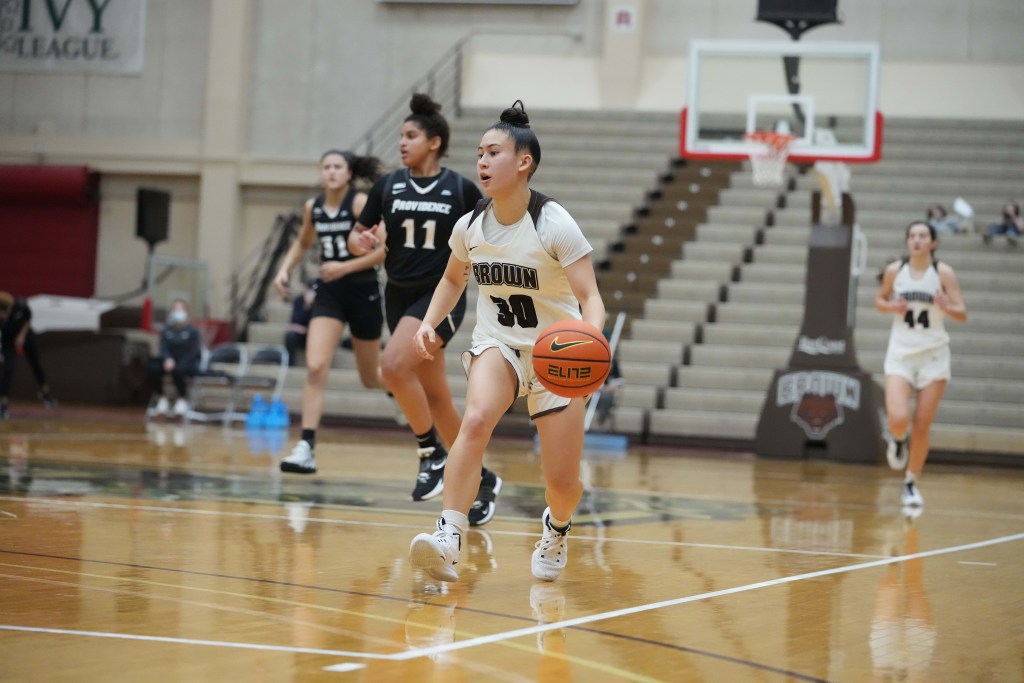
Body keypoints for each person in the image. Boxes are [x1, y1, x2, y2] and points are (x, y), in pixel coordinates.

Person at [406, 100, 606, 582]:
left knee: (562, 483)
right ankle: (448, 536)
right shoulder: (471, 224)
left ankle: (556, 528)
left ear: (524, 162)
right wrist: (429, 322)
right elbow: (454, 280)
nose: (481, 161)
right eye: (478, 153)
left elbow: (591, 297)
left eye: (493, 152)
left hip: (556, 356)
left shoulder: (553, 222)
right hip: (498, 344)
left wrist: (591, 341)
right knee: (474, 420)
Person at [349, 93, 502, 525]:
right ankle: (483, 478)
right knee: (436, 397)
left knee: (393, 367)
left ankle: (431, 452)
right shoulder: (389, 185)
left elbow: (489, 231)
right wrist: (358, 242)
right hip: (396, 295)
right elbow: (358, 235)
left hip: (439, 297)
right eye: (401, 136)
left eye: (411, 136)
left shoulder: (460, 189)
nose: (402, 143)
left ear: (433, 142)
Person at [274, 149, 387, 474]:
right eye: (326, 167)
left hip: (363, 288)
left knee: (370, 377)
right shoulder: (314, 207)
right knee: (315, 366)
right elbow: (302, 242)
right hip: (330, 293)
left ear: (349, 173)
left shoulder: (358, 202)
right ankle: (306, 445)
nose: (331, 172)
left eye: (337, 167)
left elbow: (384, 250)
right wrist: (283, 270)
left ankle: (399, 390)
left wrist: (344, 267)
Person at [875, 221, 967, 509]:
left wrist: (946, 306)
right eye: (912, 236)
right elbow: (879, 299)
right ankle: (898, 440)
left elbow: (962, 313)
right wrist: (891, 307)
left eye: (922, 235)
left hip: (934, 356)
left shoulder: (943, 273)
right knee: (898, 418)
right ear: (907, 242)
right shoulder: (895, 271)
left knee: (922, 426)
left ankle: (910, 482)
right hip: (901, 354)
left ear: (933, 242)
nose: (916, 240)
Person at [0, 291, 57, 419]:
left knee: (36, 363)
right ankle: (2, 404)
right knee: (9, 369)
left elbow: (28, 318)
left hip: (26, 335)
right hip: (8, 341)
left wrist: (22, 335)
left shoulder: (20, 305)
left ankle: (45, 393)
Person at [148, 298, 203, 418]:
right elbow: (163, 348)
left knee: (179, 370)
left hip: (186, 363)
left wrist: (178, 363)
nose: (178, 312)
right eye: (175, 309)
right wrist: (167, 359)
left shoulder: (192, 331)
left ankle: (182, 398)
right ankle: (162, 397)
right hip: (169, 361)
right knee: (153, 368)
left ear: (186, 312)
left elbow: (193, 352)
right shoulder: (166, 330)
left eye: (180, 309)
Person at [284, 280, 317, 367]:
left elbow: (316, 322)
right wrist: (306, 305)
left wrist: (310, 306)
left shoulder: (319, 302)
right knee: (290, 336)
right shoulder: (299, 301)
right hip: (300, 334)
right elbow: (295, 319)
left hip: (313, 334)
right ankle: (290, 363)